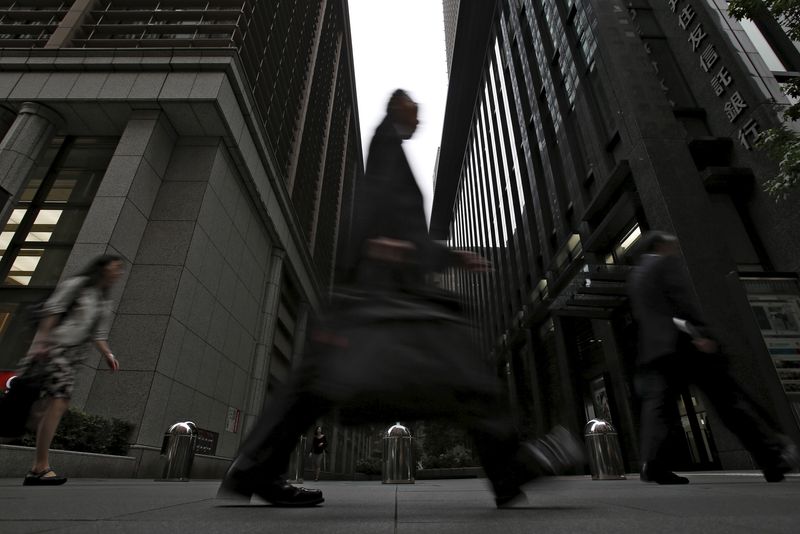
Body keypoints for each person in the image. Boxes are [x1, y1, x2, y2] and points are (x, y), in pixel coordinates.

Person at [217, 89, 583, 508]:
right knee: (463, 376)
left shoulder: (386, 144)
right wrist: (419, 251)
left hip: (377, 292)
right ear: (398, 109)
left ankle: (254, 468)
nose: (420, 120)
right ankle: (509, 468)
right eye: (415, 112)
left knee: (316, 385)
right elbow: (378, 207)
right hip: (389, 293)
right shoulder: (388, 144)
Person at [627, 231, 798, 484]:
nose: (676, 251)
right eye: (673, 246)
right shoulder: (665, 263)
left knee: (660, 408)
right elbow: (681, 300)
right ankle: (770, 459)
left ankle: (653, 463)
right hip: (685, 344)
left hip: (657, 350)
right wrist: (702, 333)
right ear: (660, 246)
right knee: (727, 403)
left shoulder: (637, 274)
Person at [15, 254, 124, 486]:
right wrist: (40, 345)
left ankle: (38, 461)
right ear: (102, 268)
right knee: (58, 401)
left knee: (53, 405)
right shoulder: (77, 286)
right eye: (115, 268)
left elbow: (98, 334)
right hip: (54, 350)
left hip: (73, 357)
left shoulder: (103, 302)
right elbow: (51, 312)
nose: (118, 273)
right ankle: (40, 466)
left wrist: (108, 355)